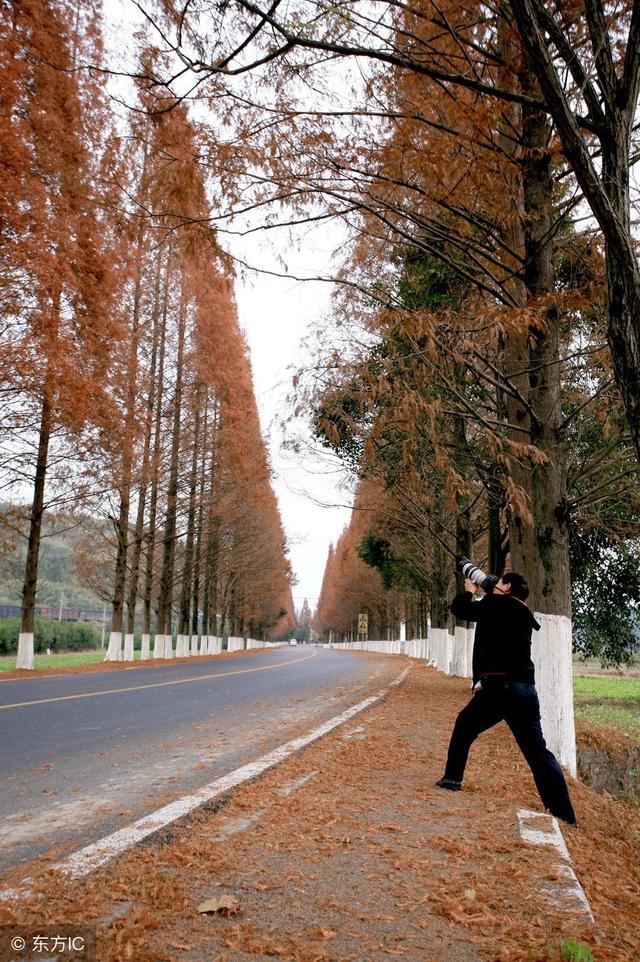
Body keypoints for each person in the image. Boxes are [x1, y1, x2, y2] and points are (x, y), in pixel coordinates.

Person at [436, 572, 576, 827]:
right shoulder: (523, 612)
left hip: (500, 688)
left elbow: (460, 609)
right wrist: (487, 594)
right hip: (525, 691)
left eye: (499, 581)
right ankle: (564, 813)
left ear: (507, 587)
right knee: (538, 753)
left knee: (465, 725)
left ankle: (452, 779)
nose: (495, 584)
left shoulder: (495, 604)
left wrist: (469, 589)